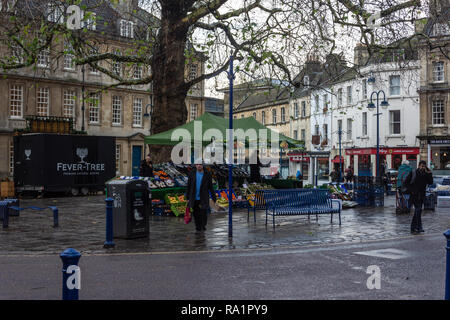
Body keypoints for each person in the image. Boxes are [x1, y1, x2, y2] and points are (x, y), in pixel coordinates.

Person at [403, 160, 433, 234]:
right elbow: (405, 183)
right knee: (418, 210)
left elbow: (430, 182)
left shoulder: (426, 174)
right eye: (422, 166)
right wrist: (412, 190)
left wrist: (430, 174)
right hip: (414, 195)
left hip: (422, 195)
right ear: (419, 166)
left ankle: (413, 227)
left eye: (424, 166)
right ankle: (419, 227)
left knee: (418, 211)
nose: (423, 168)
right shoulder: (413, 173)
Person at [186, 163, 217, 232]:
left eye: (200, 164)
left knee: (203, 213)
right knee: (196, 213)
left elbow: (210, 187)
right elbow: (189, 186)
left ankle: (203, 225)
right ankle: (198, 227)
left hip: (203, 197)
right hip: (194, 197)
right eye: (197, 164)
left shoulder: (207, 174)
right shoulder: (192, 173)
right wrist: (187, 197)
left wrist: (213, 197)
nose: (199, 166)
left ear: (203, 165)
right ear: (195, 165)